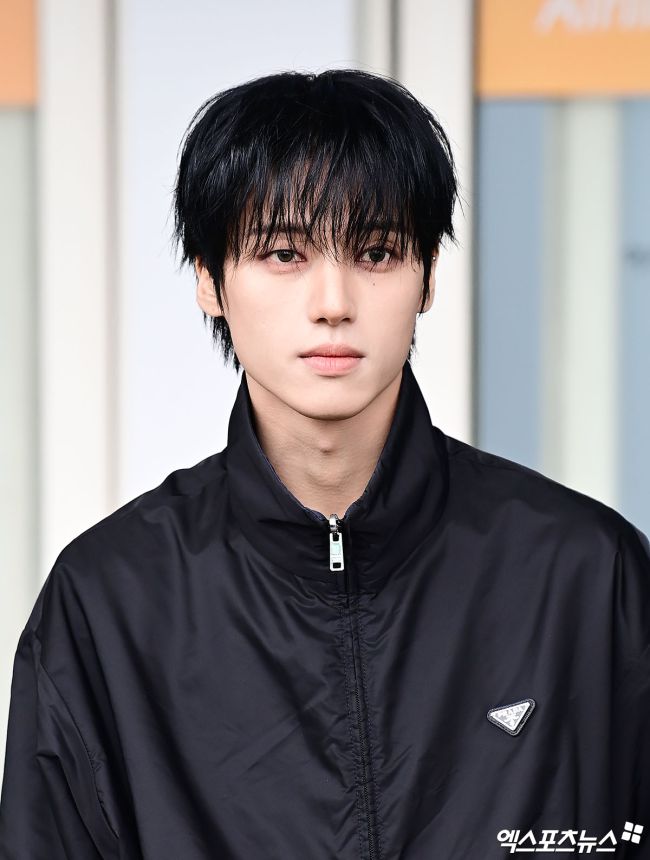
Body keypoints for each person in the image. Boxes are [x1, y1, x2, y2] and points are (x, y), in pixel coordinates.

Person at [0, 68, 649, 860]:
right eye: (284, 253)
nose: (333, 301)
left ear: (427, 277)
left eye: (375, 252)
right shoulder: (108, 602)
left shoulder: (586, 575)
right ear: (208, 280)